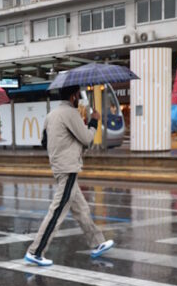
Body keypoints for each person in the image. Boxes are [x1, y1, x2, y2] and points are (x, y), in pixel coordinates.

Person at [24, 85, 115, 267]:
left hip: (59, 165)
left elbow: (44, 141)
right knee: (57, 210)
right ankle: (36, 251)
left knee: (81, 209)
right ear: (73, 96)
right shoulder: (71, 113)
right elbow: (87, 139)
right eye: (78, 95)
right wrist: (94, 121)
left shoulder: (51, 115)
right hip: (68, 167)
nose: (79, 98)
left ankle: (97, 242)